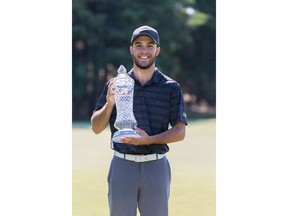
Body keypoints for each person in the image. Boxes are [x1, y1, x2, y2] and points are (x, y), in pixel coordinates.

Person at [91, 25, 188, 216]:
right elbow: (96, 127)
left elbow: (180, 131)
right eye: (138, 45)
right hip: (122, 165)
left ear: (157, 50)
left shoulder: (171, 87)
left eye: (149, 45)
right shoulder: (116, 84)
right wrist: (110, 103)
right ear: (131, 49)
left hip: (156, 166)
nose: (144, 51)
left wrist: (148, 140)